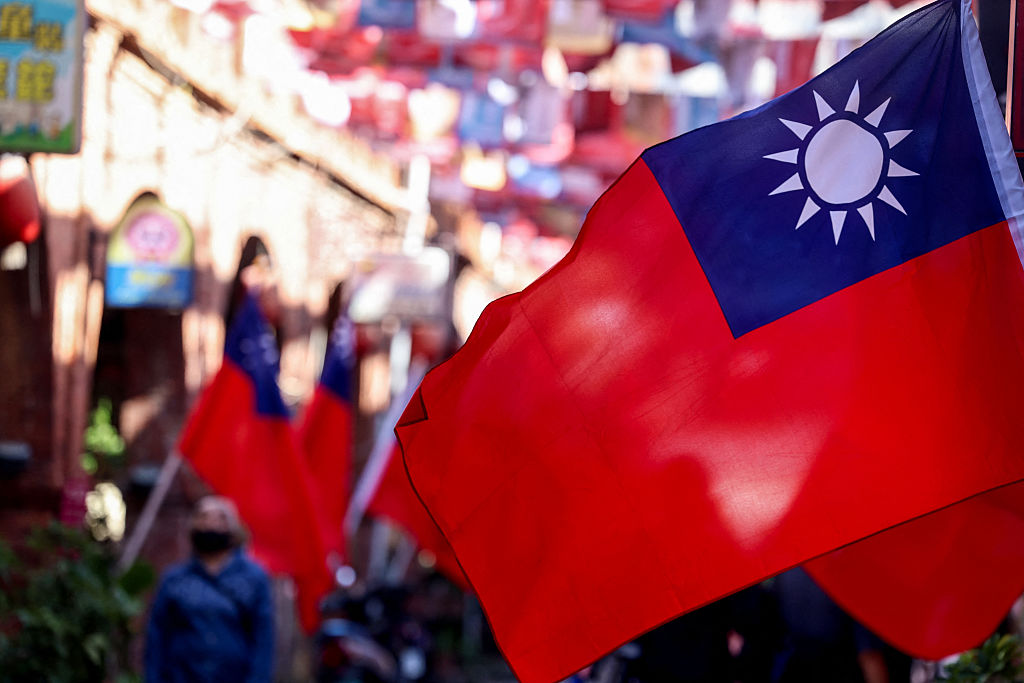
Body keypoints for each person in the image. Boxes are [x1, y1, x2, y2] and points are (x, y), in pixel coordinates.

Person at [145, 496, 274, 683]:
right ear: (193, 526)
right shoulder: (174, 579)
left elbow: (263, 640)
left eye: (220, 517)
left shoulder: (254, 578)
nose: (210, 523)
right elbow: (156, 639)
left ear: (233, 528)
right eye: (203, 517)